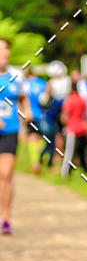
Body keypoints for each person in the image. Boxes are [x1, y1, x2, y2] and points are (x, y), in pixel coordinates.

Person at [0, 39, 30, 233]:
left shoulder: (16, 76)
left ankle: (6, 217)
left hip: (10, 130)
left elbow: (23, 98)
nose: (4, 52)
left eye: (6, 48)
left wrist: (27, 112)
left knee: (6, 173)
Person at [61, 75, 87, 177]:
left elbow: (65, 116)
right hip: (82, 128)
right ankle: (86, 170)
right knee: (82, 152)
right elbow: (86, 114)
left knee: (70, 152)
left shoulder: (69, 100)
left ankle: (65, 172)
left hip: (73, 129)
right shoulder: (82, 99)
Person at [23, 68, 47, 175]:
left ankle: (35, 161)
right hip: (43, 115)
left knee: (32, 137)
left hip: (30, 115)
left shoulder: (25, 84)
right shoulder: (43, 83)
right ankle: (41, 158)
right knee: (42, 137)